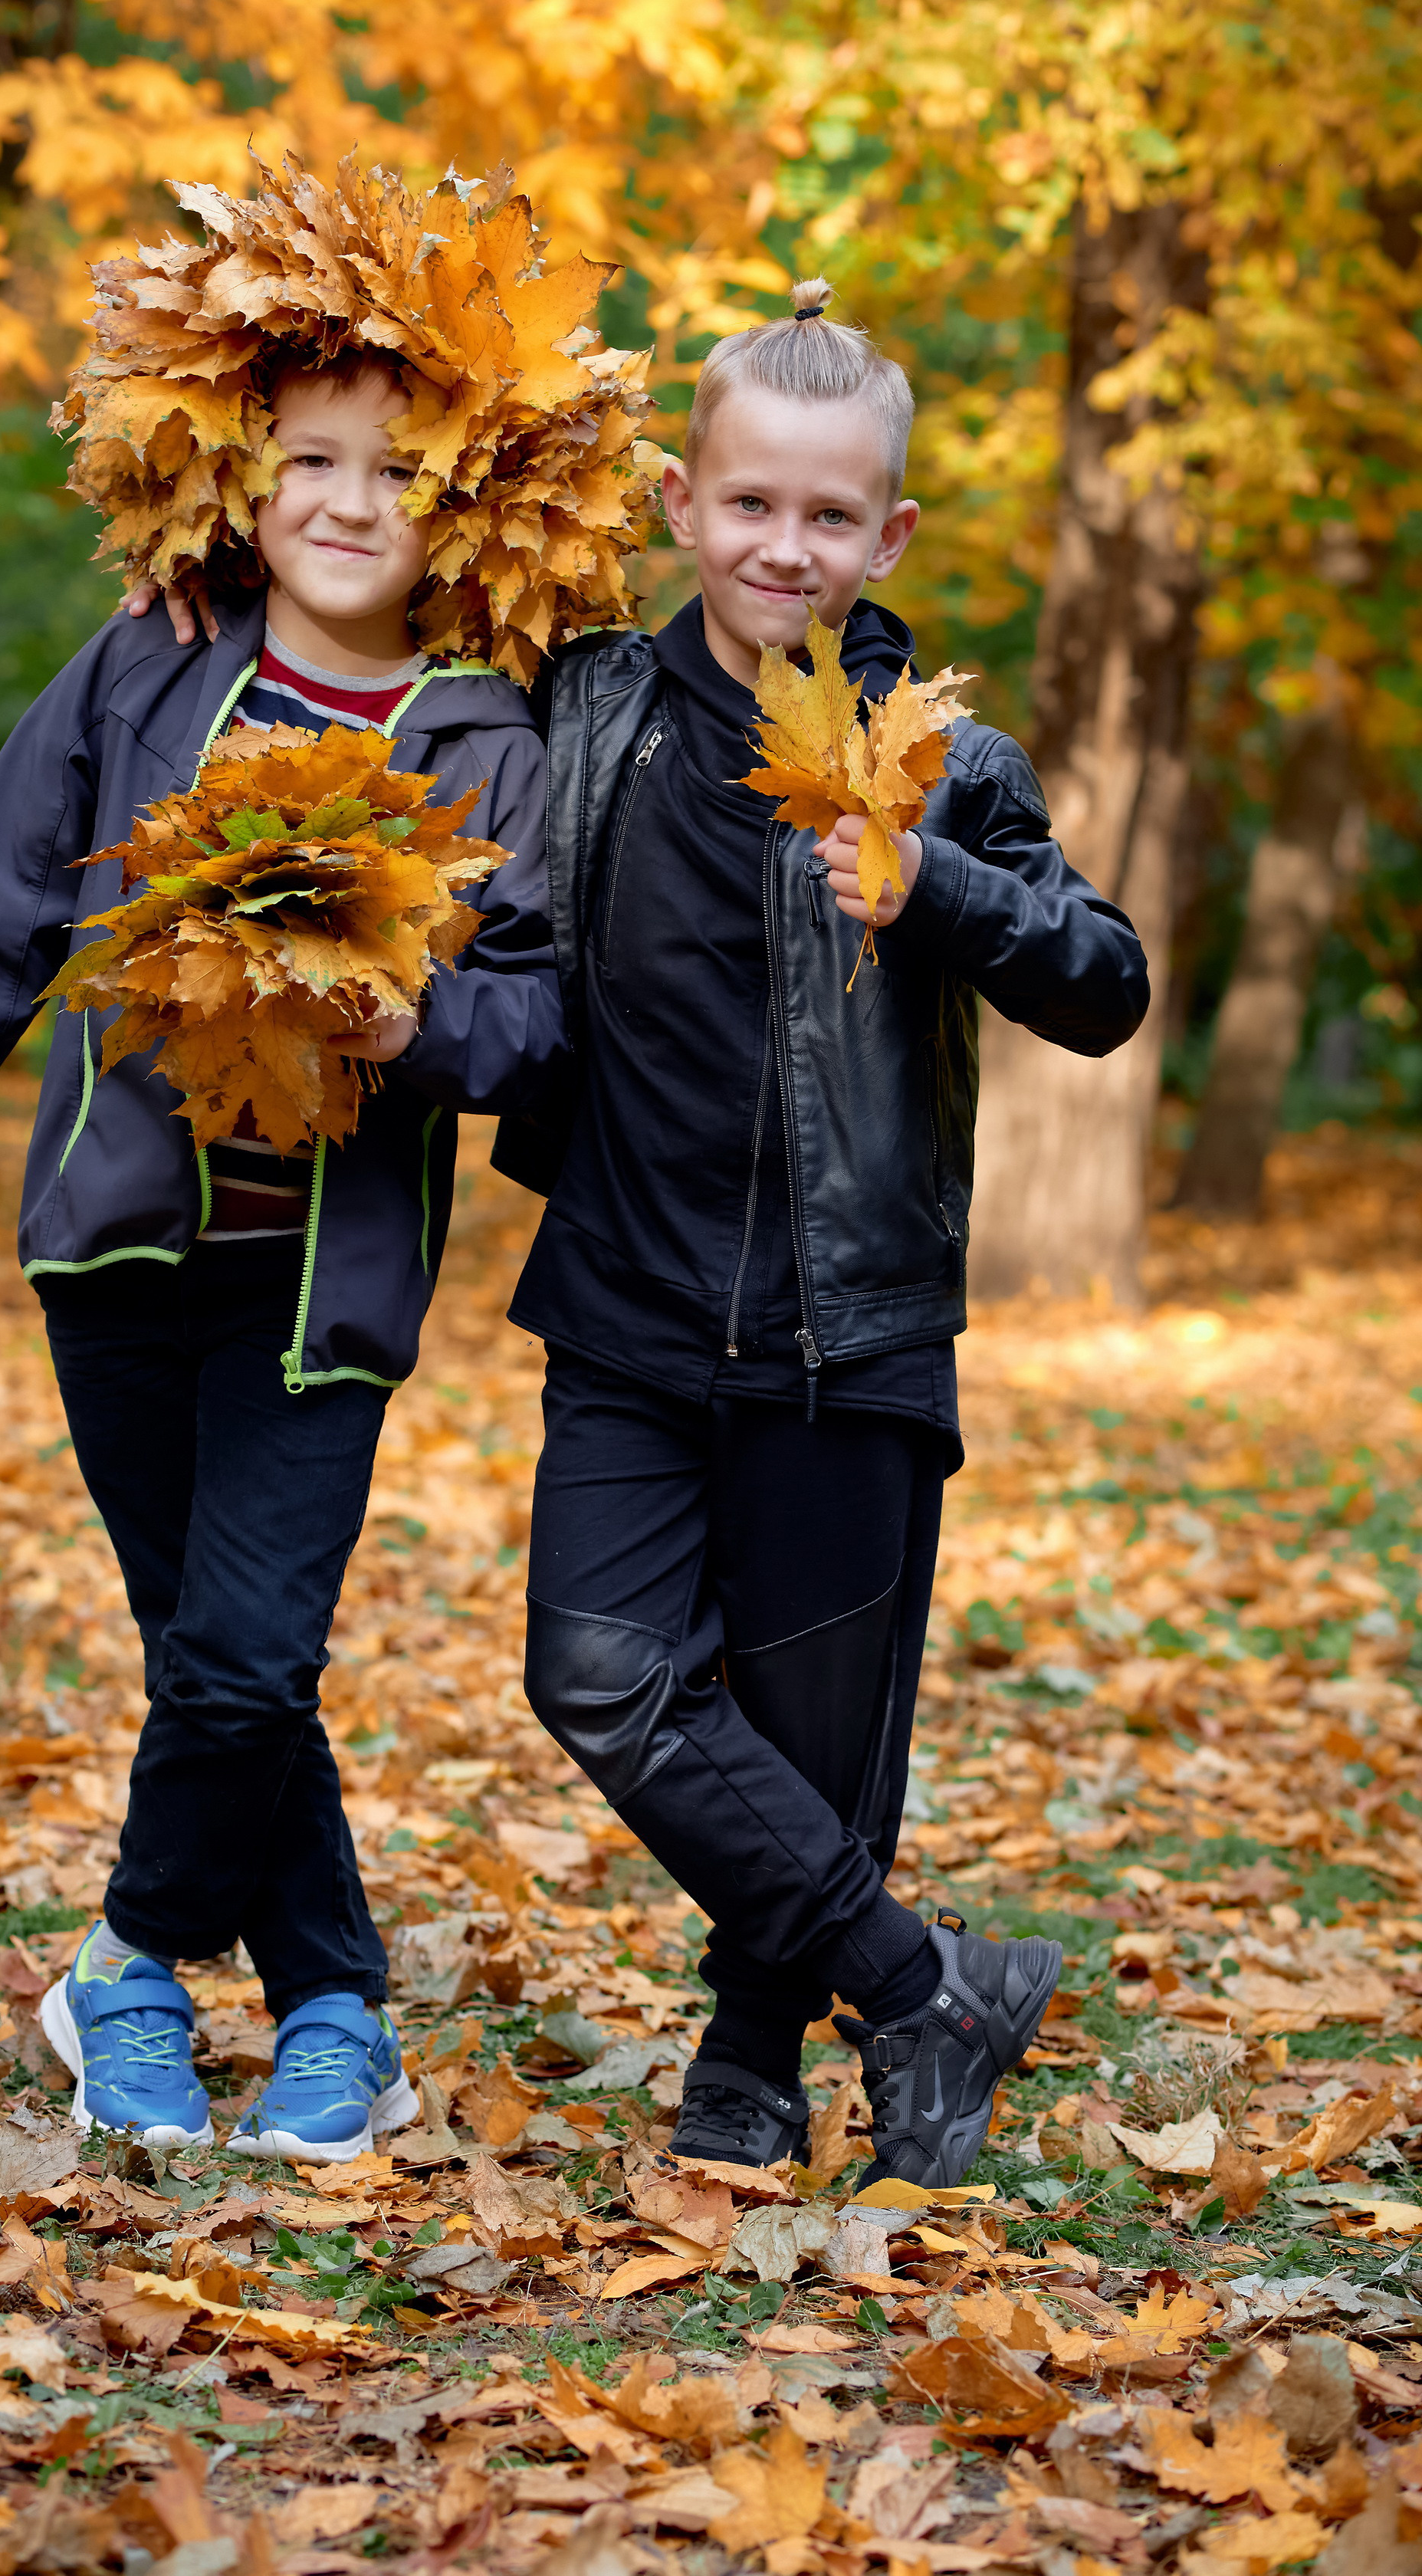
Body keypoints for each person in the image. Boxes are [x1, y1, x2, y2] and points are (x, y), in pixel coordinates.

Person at [0, 158, 655, 2157]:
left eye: (395, 467)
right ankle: (335, 2013)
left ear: (459, 495)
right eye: (310, 455)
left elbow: (543, 1013)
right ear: (241, 462)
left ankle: (122, 1964)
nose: (349, 500)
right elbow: (4, 897)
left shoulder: (492, 737)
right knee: (217, 1663)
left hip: (324, 1288)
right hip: (113, 1249)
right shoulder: (150, 661)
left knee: (248, 1645)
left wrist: (419, 1024)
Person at [501, 280, 1151, 2186]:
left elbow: (1104, 983)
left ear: (889, 535)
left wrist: (935, 885)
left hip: (844, 1322)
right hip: (625, 1302)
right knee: (599, 1675)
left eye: (828, 516)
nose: (784, 547)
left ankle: (755, 2044)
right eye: (748, 505)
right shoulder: (589, 708)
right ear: (686, 504)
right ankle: (922, 1977)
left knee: (810, 1716)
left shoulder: (939, 758)